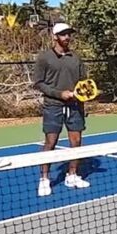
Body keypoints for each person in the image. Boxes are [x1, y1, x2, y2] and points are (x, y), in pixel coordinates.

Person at [33, 22, 91, 197]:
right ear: (55, 36)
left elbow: (84, 81)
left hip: (75, 106)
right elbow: (39, 83)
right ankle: (44, 179)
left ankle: (72, 175)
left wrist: (85, 93)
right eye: (63, 34)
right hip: (53, 106)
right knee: (51, 142)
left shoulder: (76, 58)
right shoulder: (44, 58)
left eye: (69, 34)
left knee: (76, 141)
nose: (67, 37)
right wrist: (59, 94)